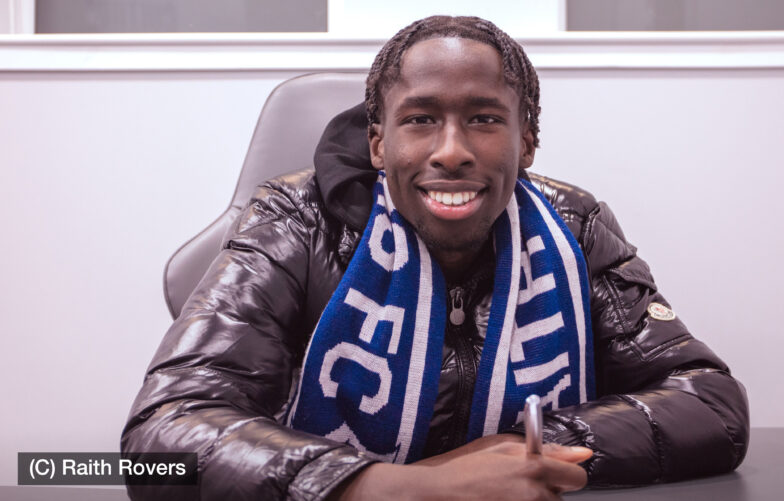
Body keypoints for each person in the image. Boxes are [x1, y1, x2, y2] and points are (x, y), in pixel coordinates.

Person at [122, 15, 749, 501]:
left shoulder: (574, 225)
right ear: (379, 143)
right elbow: (162, 439)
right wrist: (392, 487)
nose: (451, 150)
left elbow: (711, 403)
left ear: (526, 142)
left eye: (484, 119)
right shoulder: (295, 220)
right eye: (421, 119)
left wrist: (516, 454)